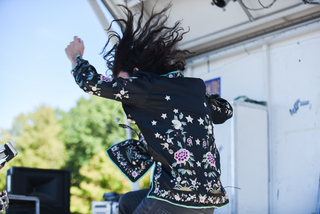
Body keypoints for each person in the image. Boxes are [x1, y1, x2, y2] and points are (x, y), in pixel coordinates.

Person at [65, 2, 233, 214]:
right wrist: (202, 99)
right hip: (208, 200)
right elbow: (226, 110)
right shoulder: (192, 88)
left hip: (175, 198)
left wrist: (76, 58)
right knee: (128, 202)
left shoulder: (144, 85)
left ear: (136, 71)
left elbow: (90, 82)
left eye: (121, 81)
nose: (122, 92)